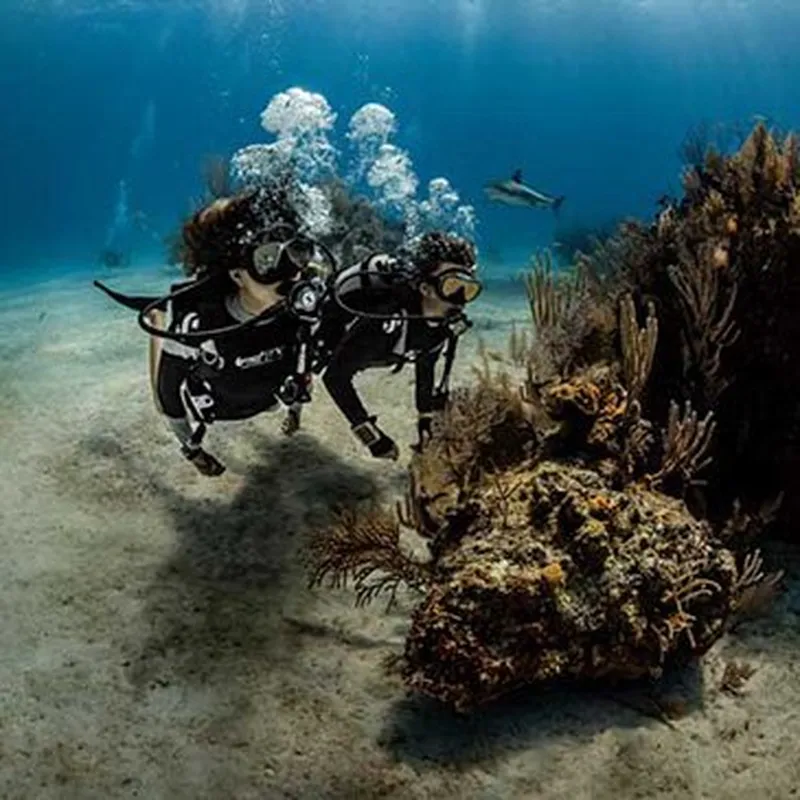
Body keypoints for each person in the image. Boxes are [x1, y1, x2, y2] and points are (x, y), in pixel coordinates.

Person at [95, 185, 331, 476]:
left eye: (297, 254)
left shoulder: (303, 314)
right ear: (237, 275)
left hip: (265, 398)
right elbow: (168, 395)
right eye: (266, 261)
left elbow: (303, 367)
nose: (291, 274)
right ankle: (159, 317)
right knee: (158, 402)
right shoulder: (199, 325)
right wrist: (192, 451)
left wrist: (294, 413)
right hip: (220, 405)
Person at [314, 231, 482, 460]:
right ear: (425, 288)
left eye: (468, 289)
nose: (460, 299)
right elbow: (335, 377)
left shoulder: (441, 325)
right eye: (452, 286)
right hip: (331, 331)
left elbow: (426, 366)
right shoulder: (385, 321)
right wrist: (372, 437)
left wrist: (425, 420)